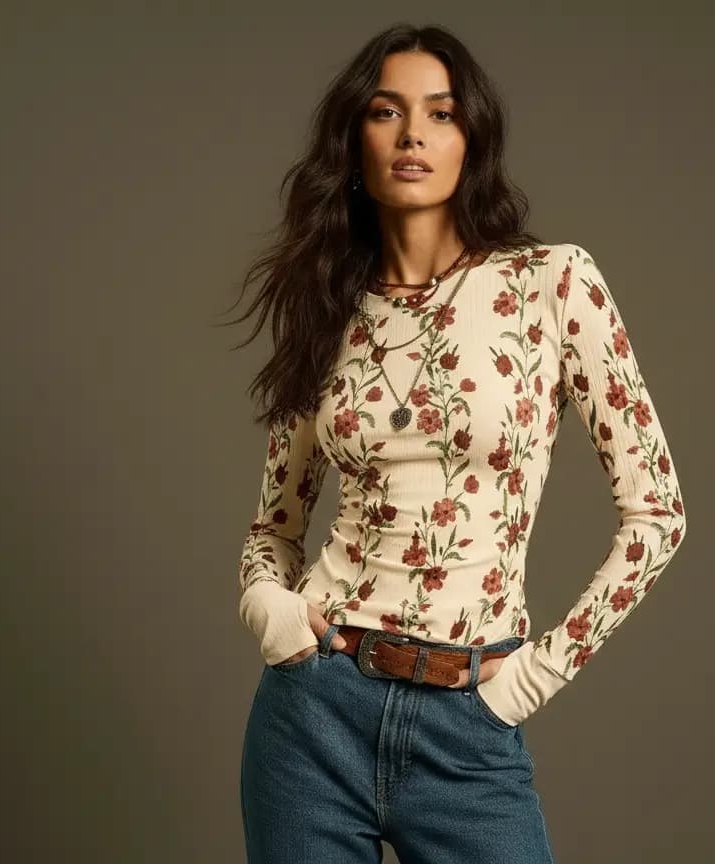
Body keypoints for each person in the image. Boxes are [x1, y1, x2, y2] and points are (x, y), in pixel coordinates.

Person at [225, 23, 687, 864]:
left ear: (470, 138)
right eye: (386, 111)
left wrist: (530, 678)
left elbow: (658, 514)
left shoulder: (551, 283)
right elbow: (274, 531)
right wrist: (272, 613)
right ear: (353, 140)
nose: (412, 135)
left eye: (439, 114)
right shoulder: (325, 310)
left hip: (470, 722)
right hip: (311, 717)